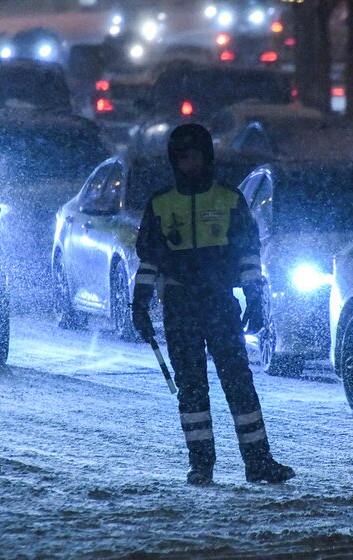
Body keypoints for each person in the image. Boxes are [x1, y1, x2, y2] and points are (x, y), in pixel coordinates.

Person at [131, 123, 295, 486]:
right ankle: (201, 465)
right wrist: (139, 305)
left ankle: (258, 462)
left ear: (207, 156)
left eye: (193, 154)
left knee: (238, 383)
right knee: (191, 388)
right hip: (180, 306)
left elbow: (248, 255)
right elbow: (149, 262)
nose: (187, 161)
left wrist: (254, 296)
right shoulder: (161, 204)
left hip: (219, 303)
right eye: (180, 155)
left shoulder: (229, 199)